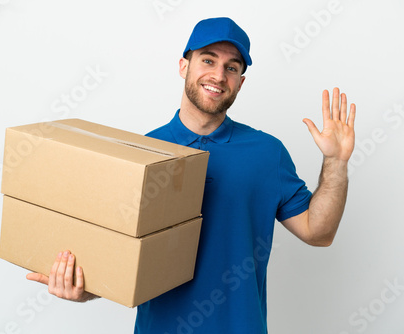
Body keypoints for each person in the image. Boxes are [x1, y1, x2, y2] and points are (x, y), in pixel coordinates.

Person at [27, 17, 356, 333]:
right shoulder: (141, 152)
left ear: (240, 82)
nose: (218, 75)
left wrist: (336, 162)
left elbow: (318, 232)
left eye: (231, 67)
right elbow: (120, 260)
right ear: (184, 66)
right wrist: (82, 288)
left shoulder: (267, 153)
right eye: (208, 60)